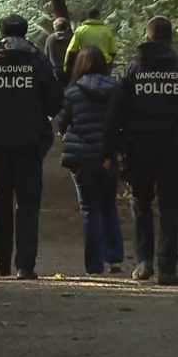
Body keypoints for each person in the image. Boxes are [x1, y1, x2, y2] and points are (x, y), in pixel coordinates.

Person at [104, 16, 178, 286]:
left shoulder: (131, 72)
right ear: (170, 39)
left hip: (138, 148)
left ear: (147, 39)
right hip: (174, 148)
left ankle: (144, 262)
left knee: (141, 202)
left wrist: (106, 151)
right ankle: (167, 268)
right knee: (170, 205)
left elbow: (113, 115)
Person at [0, 14, 63, 279]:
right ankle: (26, 264)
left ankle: (1, 261)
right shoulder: (37, 60)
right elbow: (55, 101)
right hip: (30, 142)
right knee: (28, 202)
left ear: (1, 31)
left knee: (1, 201)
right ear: (26, 31)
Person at [57, 47, 124, 275]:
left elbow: (62, 123)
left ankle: (94, 266)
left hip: (82, 159)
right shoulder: (116, 89)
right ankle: (114, 257)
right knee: (108, 205)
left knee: (89, 209)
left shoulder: (73, 92)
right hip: (107, 156)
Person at [63, 7, 117, 82]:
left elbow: (71, 51)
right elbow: (113, 51)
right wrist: (109, 64)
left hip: (84, 64)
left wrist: (67, 69)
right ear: (98, 16)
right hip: (103, 65)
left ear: (88, 17)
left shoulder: (80, 30)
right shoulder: (107, 31)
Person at [44, 17, 73, 86]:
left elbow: (46, 56)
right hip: (71, 70)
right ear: (67, 27)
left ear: (55, 28)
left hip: (56, 71)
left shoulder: (50, 39)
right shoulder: (72, 37)